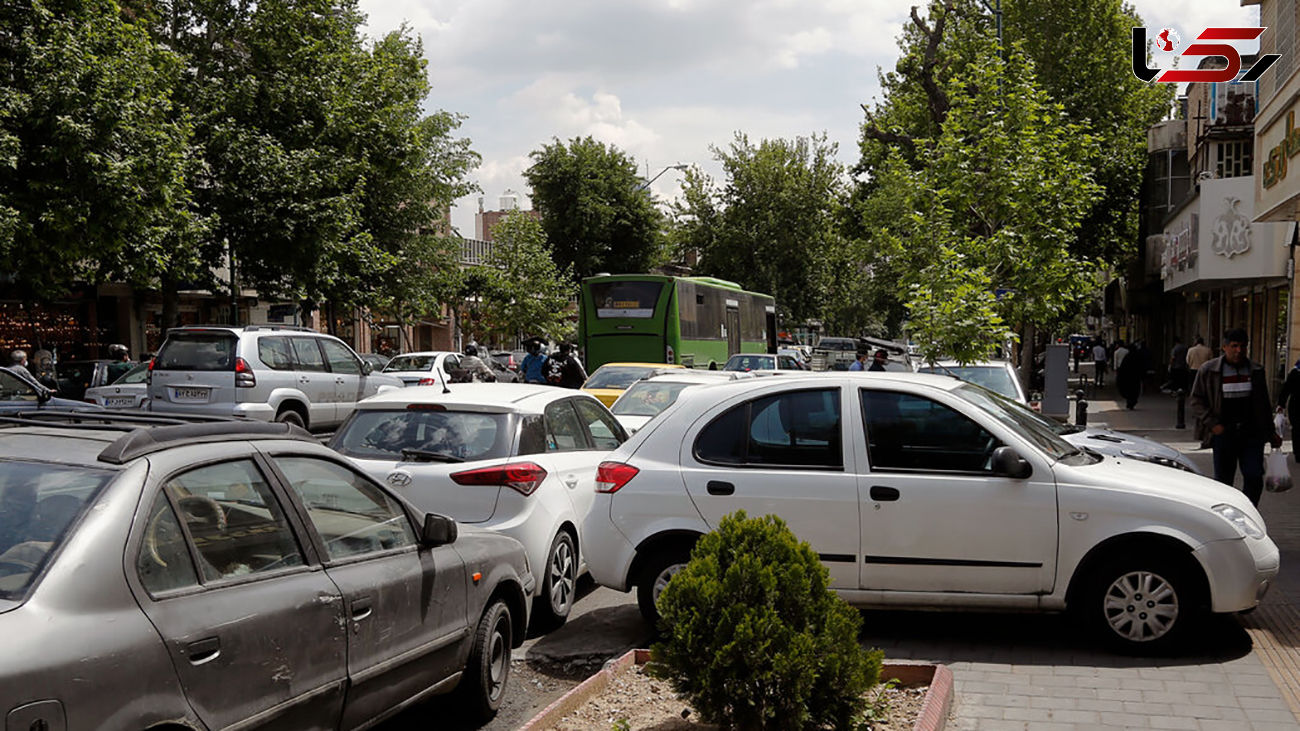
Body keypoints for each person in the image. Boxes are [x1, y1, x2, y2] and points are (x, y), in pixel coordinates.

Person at [1189, 328, 1282, 506]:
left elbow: (1263, 405)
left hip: (1251, 434)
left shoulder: (1256, 370)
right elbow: (1196, 400)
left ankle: (1249, 510)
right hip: (1224, 433)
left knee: (1254, 476)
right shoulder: (1210, 370)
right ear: (1224, 347)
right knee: (1223, 482)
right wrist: (1212, 424)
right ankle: (1226, 516)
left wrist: (1270, 433)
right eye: (1234, 346)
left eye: (1243, 346)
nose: (1238, 350)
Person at [1277, 358, 1300, 460]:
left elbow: (1286, 389)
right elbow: (1286, 390)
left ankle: (1298, 453)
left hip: (1295, 406)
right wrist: (1281, 404)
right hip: (1296, 406)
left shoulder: (1294, 372)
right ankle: (1298, 453)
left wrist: (1281, 404)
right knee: (1297, 429)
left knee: (1297, 430)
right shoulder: (1295, 373)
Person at [1117, 339, 1145, 410]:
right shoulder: (1138, 356)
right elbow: (1141, 366)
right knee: (1135, 390)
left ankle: (1129, 402)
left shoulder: (1127, 357)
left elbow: (1123, 368)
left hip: (1128, 378)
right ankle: (1132, 402)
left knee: (1128, 390)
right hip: (1135, 377)